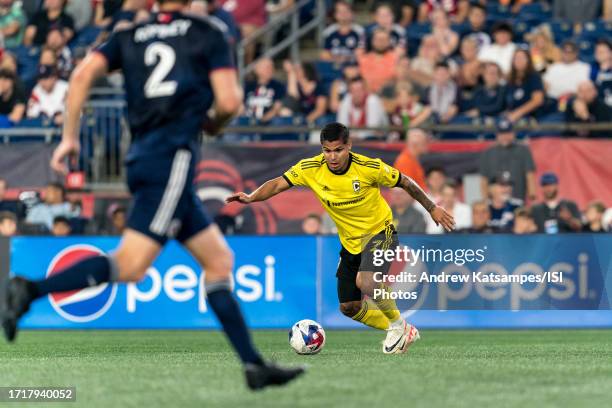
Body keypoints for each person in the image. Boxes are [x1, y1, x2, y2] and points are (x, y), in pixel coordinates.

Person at [1, 0, 304, 391]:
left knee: (219, 260)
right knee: (131, 266)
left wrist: (70, 138)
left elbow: (80, 77)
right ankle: (30, 290)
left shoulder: (127, 34)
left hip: (143, 156)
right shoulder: (207, 31)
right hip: (172, 159)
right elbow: (230, 102)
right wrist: (213, 123)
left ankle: (253, 365)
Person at [227, 122, 455, 354]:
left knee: (366, 281)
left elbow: (405, 181)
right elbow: (277, 184)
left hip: (381, 232)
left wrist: (432, 207)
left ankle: (398, 326)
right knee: (349, 307)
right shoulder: (310, 168)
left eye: (338, 150)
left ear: (349, 146)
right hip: (350, 243)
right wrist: (251, 197)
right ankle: (402, 328)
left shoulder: (368, 167)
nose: (332, 156)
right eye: (327, 150)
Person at [479, 119, 536, 202]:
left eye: (507, 133)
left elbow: (530, 176)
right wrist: (485, 200)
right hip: (495, 203)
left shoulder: (523, 150)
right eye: (502, 133)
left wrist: (532, 197)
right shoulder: (488, 152)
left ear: (513, 133)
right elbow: (483, 180)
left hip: (518, 199)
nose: (505, 136)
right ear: (497, 135)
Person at [505, 49, 545, 123]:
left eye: (522, 58)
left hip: (531, 116)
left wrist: (518, 113)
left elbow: (537, 100)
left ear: (528, 60)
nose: (519, 60)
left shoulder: (534, 76)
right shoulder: (510, 79)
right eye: (516, 58)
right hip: (513, 116)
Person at [243, 58, 285, 123]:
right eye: (266, 67)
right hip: (246, 124)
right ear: (257, 70)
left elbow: (278, 106)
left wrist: (263, 120)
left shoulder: (278, 86)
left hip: (269, 125)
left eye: (271, 67)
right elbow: (241, 106)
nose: (270, 70)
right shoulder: (248, 86)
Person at [590, 39, 612, 107]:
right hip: (600, 106)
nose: (598, 54)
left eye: (601, 52)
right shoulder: (592, 69)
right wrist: (602, 71)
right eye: (596, 52)